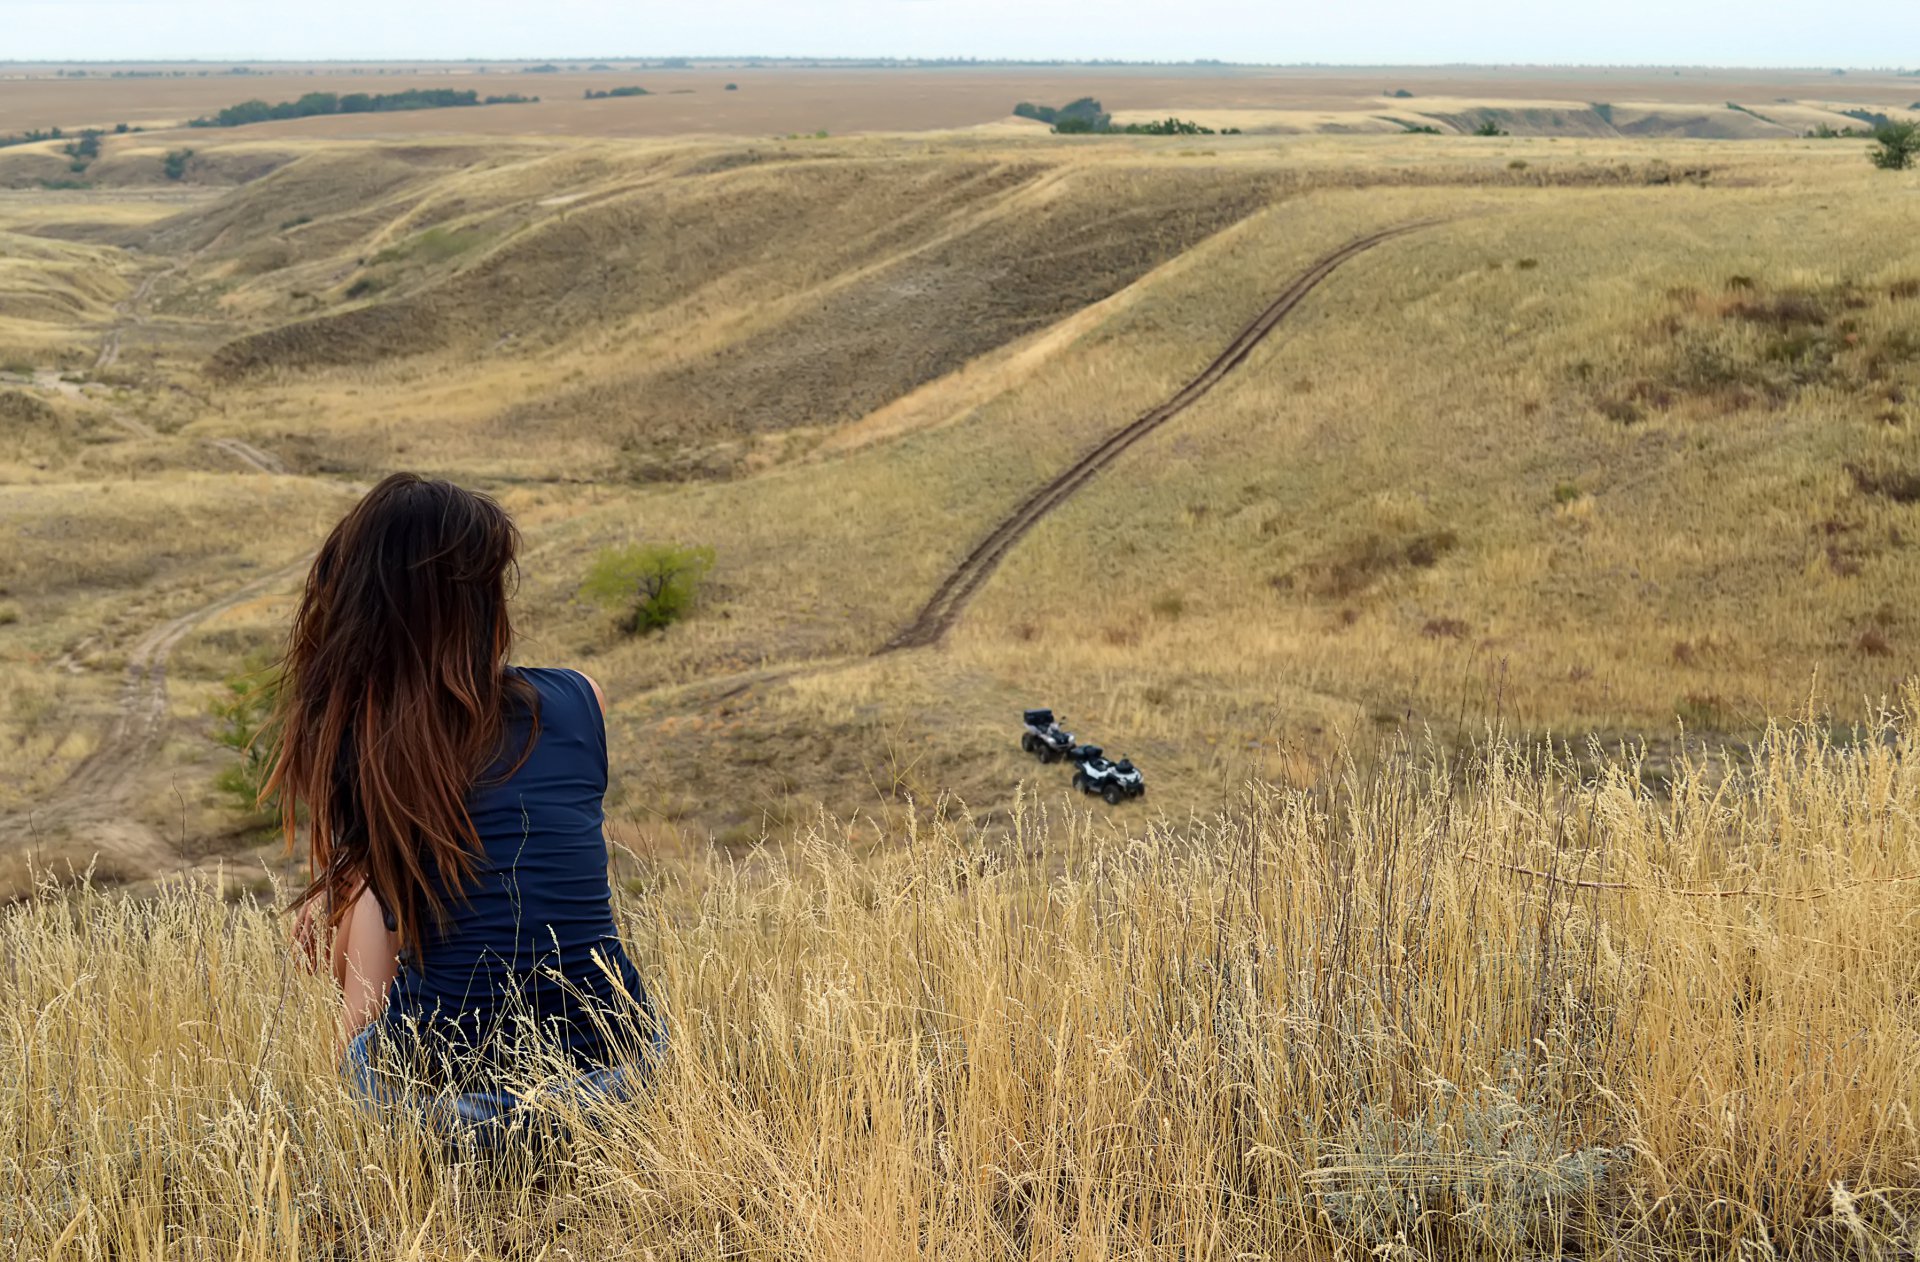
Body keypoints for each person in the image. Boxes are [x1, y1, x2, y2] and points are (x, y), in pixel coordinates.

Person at [267, 473, 661, 1145]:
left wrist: (343, 881)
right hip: (623, 1078)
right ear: (482, 605)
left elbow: (358, 916)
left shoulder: (367, 735)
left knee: (368, 894)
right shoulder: (581, 698)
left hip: (439, 1105)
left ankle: (349, 1098)